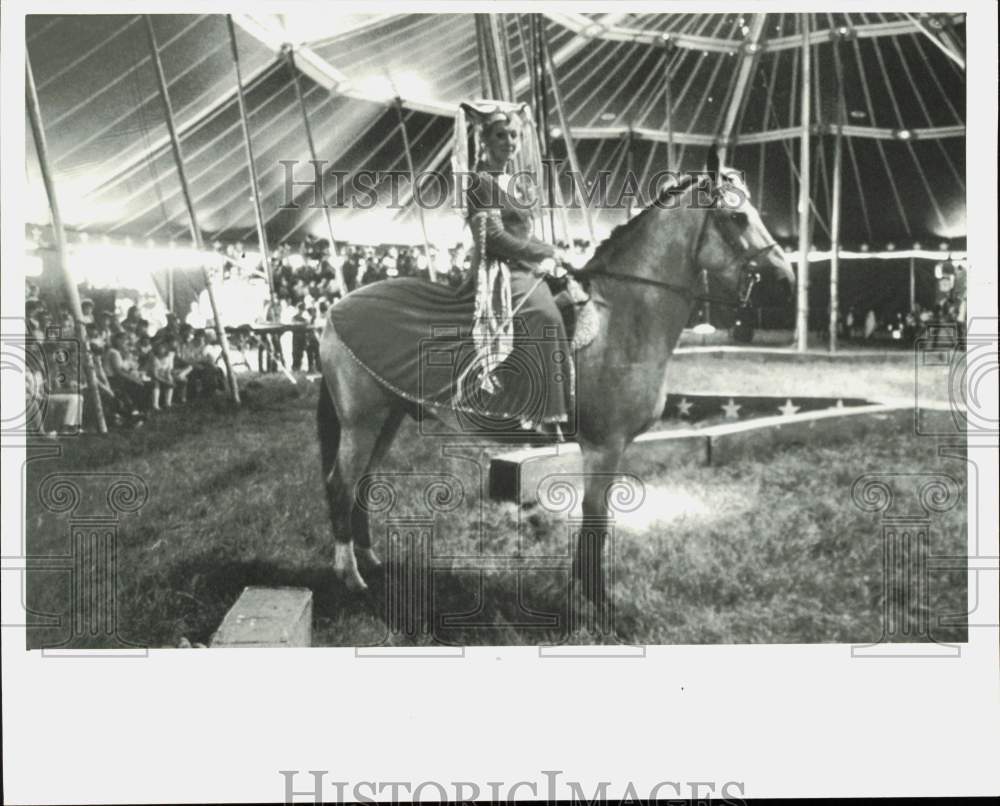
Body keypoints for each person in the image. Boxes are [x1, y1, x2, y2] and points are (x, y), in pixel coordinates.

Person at [329, 100, 572, 435]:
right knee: (543, 315)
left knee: (575, 301)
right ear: (485, 140)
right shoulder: (478, 182)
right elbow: (494, 239)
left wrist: (544, 257)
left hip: (524, 265)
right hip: (498, 271)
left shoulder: (518, 183)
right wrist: (545, 250)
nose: (511, 142)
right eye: (502, 135)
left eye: (515, 135)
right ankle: (539, 412)